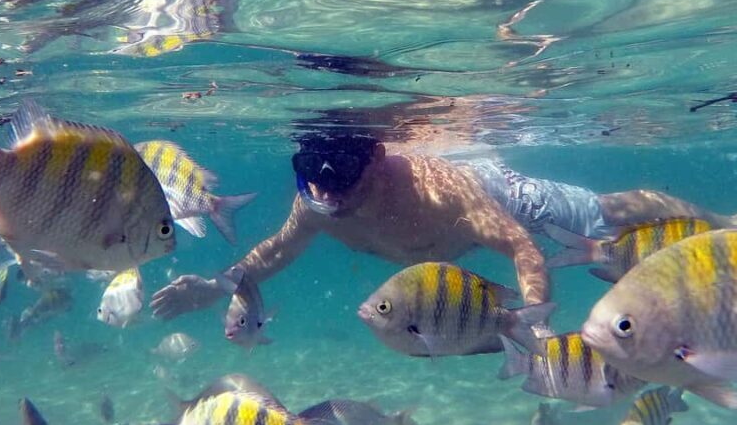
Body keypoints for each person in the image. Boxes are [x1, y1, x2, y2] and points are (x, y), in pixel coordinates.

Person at [150, 131, 734, 320]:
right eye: (309, 176)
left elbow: (521, 248)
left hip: (504, 197)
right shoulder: (316, 202)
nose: (326, 194)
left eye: (342, 175)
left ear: (376, 158)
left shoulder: (442, 197)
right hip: (455, 226)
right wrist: (218, 286)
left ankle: (721, 221)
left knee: (609, 213)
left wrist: (533, 320)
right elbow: (273, 254)